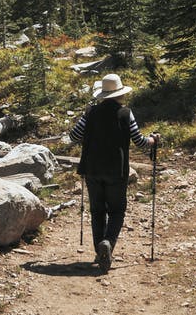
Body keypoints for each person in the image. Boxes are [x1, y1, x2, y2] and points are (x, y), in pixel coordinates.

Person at [69, 73, 159, 273]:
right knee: (117, 210)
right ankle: (108, 243)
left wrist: (86, 117)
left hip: (91, 169)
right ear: (120, 94)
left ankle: (99, 249)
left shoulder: (90, 112)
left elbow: (74, 136)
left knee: (97, 211)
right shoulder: (126, 113)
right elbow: (140, 142)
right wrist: (153, 140)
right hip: (116, 171)